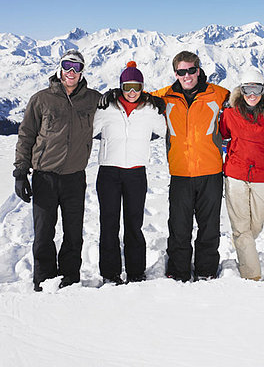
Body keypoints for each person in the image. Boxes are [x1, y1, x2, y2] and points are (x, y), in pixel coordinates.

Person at [13, 50, 100, 291]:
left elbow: (121, 108)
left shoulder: (93, 99)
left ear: (82, 71)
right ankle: (43, 280)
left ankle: (70, 280)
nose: (71, 71)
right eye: (67, 65)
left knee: (73, 234)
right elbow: (26, 135)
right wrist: (21, 171)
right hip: (45, 177)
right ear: (59, 68)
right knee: (43, 234)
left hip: (74, 178)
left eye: (76, 66)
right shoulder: (41, 99)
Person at [153, 51, 229, 282]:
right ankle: (179, 273)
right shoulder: (164, 97)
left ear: (199, 70)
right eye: (181, 72)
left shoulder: (219, 94)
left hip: (211, 172)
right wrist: (117, 92)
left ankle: (206, 272)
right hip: (180, 173)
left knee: (209, 227)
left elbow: (248, 101)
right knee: (179, 227)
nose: (187, 76)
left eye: (191, 70)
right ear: (175, 73)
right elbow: (134, 97)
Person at [93, 61, 166, 285]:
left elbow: (165, 130)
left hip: (136, 173)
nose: (132, 92)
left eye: (137, 87)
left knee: (134, 225)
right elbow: (88, 129)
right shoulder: (105, 108)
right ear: (120, 87)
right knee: (109, 224)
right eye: (127, 87)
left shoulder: (150, 109)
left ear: (143, 87)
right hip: (109, 173)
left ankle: (136, 272)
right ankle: (110, 273)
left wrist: (162, 106)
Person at [219, 68, 264, 281]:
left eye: (256, 89)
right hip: (236, 174)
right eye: (247, 89)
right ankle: (252, 276)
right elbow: (222, 134)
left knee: (256, 224)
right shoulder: (230, 114)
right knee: (241, 228)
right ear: (240, 91)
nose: (252, 94)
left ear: (263, 90)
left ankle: (243, 245)